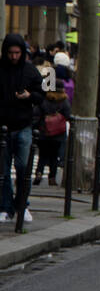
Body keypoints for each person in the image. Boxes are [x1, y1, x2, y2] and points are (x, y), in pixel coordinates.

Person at [0, 33, 44, 223]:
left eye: (17, 53)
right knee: (3, 171)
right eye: (11, 53)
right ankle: (6, 207)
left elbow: (42, 94)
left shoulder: (31, 70)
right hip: (4, 126)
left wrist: (29, 96)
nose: (14, 57)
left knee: (22, 168)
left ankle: (22, 205)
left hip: (23, 125)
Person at [33, 68, 72, 185]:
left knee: (43, 155)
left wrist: (35, 127)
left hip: (43, 131)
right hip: (58, 133)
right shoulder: (64, 100)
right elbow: (68, 115)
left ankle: (39, 172)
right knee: (54, 156)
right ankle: (52, 178)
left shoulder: (44, 98)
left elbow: (36, 113)